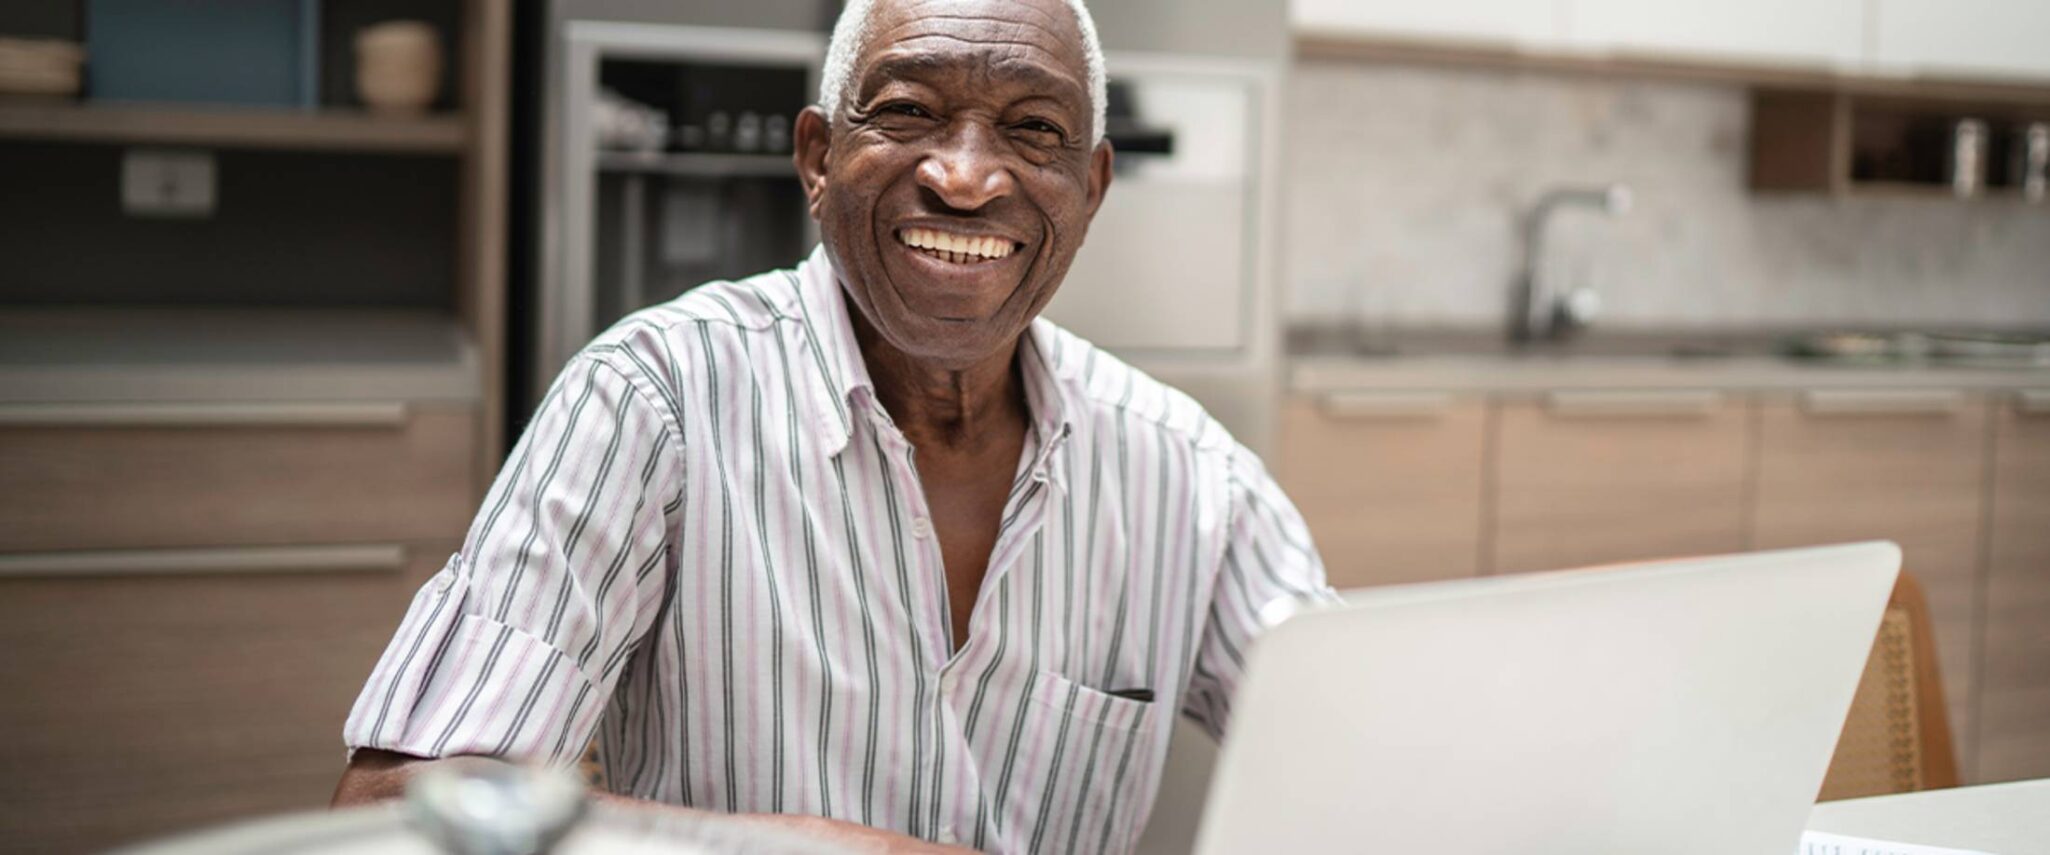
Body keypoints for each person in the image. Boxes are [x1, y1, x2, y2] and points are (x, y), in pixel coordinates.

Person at [330, 0, 1332, 851]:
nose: (967, 177)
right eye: (906, 112)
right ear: (817, 157)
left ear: (1092, 187)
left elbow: (1377, 751)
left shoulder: (1192, 478)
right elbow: (396, 820)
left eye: (1032, 130)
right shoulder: (653, 400)